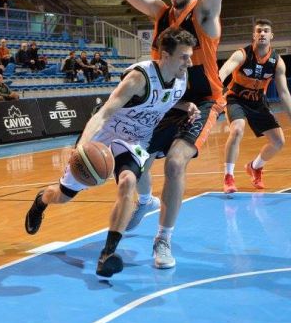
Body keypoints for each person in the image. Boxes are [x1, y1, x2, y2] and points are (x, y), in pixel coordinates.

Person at [24, 27, 197, 278]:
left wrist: (185, 105)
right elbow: (104, 112)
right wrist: (80, 147)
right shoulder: (139, 78)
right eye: (184, 56)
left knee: (127, 182)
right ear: (165, 55)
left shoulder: (181, 80)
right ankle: (41, 201)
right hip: (103, 136)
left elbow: (164, 99)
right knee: (61, 196)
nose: (189, 62)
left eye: (190, 56)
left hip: (133, 141)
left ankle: (108, 253)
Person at [112, 0, 224, 269]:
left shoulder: (204, 15)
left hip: (204, 101)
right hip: (166, 102)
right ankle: (143, 201)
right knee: (134, 156)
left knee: (175, 164)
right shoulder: (161, 13)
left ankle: (163, 240)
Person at [219, 19, 291, 193]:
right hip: (236, 98)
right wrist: (216, 91)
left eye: (265, 31)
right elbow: (224, 71)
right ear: (254, 35)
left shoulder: (277, 62)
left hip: (257, 101)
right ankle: (229, 176)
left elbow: (284, 92)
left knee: (278, 142)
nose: (262, 33)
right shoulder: (242, 54)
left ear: (271, 35)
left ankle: (255, 167)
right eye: (259, 31)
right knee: (237, 130)